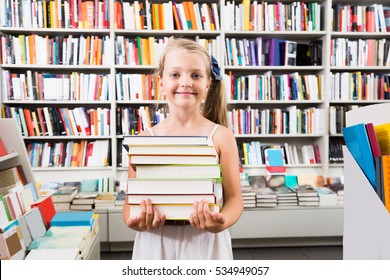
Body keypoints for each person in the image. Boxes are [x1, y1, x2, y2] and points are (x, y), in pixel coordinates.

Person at [122, 38, 243, 260]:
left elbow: (235, 199)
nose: (186, 82)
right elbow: (129, 206)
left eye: (196, 75)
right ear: (161, 82)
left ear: (207, 83)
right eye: (175, 74)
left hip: (206, 244)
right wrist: (139, 222)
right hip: (155, 245)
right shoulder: (143, 140)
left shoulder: (222, 137)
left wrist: (221, 223)